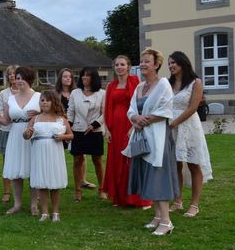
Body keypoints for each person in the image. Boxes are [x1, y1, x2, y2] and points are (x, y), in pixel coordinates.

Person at [123, 48, 179, 236]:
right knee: (148, 176)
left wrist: (143, 120)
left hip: (158, 137)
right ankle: (156, 217)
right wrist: (135, 118)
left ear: (156, 64)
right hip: (142, 137)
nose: (143, 64)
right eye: (142, 61)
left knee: (157, 176)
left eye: (147, 61)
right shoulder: (139, 87)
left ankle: (166, 222)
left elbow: (165, 110)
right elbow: (130, 110)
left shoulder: (163, 84)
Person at [167, 51, 213, 217]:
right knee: (176, 165)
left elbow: (193, 108)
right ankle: (177, 201)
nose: (171, 66)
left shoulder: (195, 82)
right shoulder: (168, 83)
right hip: (171, 128)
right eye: (169, 63)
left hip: (188, 126)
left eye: (174, 63)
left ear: (183, 63)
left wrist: (174, 122)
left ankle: (194, 204)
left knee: (194, 164)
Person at [103, 56, 151, 208]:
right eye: (117, 64)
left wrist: (134, 126)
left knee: (132, 161)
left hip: (132, 126)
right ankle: (119, 198)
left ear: (129, 67)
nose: (119, 67)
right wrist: (107, 129)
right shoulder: (111, 86)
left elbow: (140, 105)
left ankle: (138, 199)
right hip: (115, 128)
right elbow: (106, 108)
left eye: (122, 64)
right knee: (117, 162)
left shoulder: (136, 82)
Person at [25, 90, 73, 222]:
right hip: (39, 152)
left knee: (54, 182)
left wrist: (63, 137)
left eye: (47, 100)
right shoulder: (35, 119)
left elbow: (71, 135)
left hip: (54, 153)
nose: (44, 102)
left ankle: (56, 212)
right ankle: (45, 212)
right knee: (42, 182)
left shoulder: (61, 119)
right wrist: (27, 132)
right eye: (42, 100)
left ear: (54, 102)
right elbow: (26, 136)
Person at [0, 66, 40, 215]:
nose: (19, 81)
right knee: (16, 171)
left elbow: (51, 114)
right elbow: (6, 120)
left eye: (22, 78)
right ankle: (17, 204)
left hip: (33, 135)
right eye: (17, 78)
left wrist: (39, 113)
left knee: (33, 169)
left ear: (29, 79)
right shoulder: (10, 99)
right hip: (15, 134)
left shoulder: (39, 96)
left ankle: (34, 205)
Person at [67, 67, 106, 202]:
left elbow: (105, 113)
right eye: (83, 76)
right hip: (78, 130)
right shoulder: (75, 93)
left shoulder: (102, 93)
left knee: (97, 160)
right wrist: (69, 127)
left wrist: (95, 124)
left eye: (87, 76)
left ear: (93, 78)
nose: (84, 78)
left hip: (95, 131)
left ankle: (102, 189)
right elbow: (70, 111)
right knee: (78, 160)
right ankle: (78, 191)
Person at [0, 65, 19, 203]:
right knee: (6, 162)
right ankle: (6, 192)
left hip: (21, 131)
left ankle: (35, 191)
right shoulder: (4, 94)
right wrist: (2, 120)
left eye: (14, 73)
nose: (12, 76)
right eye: (9, 74)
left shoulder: (27, 92)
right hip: (7, 131)